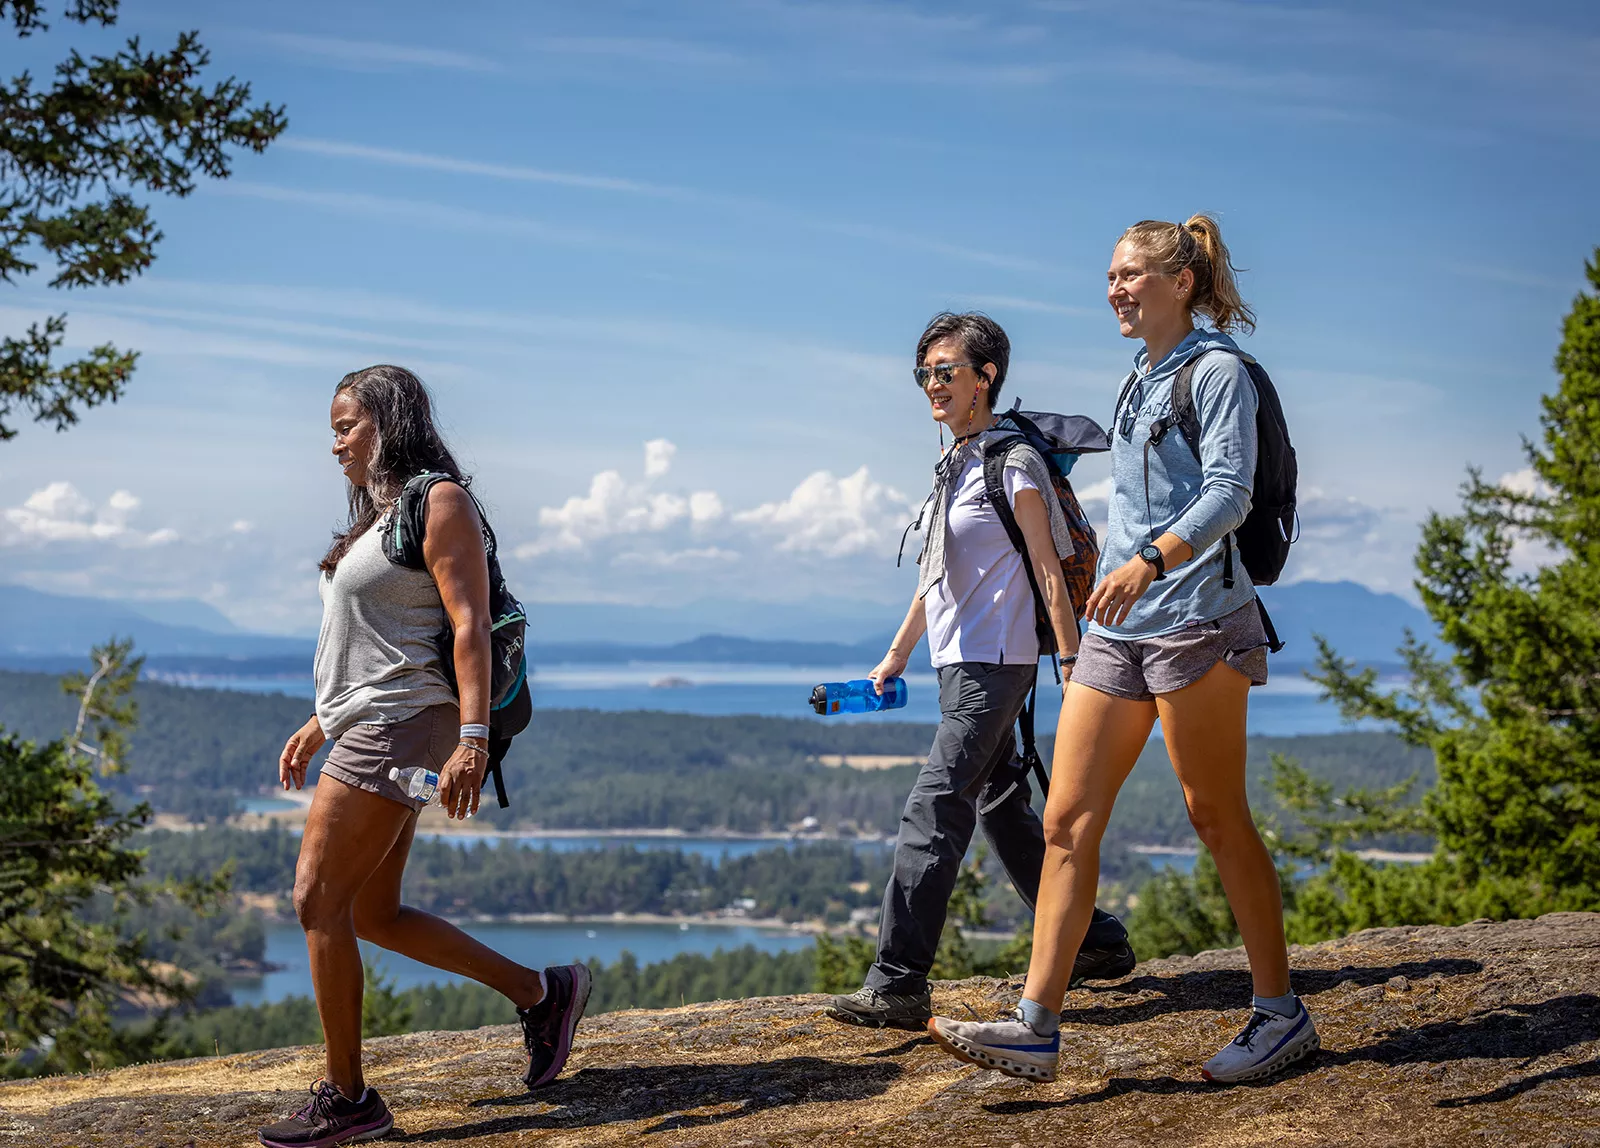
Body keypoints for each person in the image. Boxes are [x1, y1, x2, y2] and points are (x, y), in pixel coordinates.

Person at [926, 218, 1319, 1084]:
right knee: (1065, 820)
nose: (1115, 289)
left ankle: (1281, 1012)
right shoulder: (1138, 375)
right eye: (1110, 275)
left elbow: (1229, 493)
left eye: (1132, 274)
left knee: (1215, 815)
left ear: (1181, 281)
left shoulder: (1216, 373)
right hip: (1118, 629)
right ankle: (1036, 1023)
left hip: (1199, 623)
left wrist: (1146, 563)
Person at [257, 366, 589, 1148]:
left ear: (386, 422)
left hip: (405, 727)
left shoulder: (438, 502)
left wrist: (473, 738)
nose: (334, 442)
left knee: (315, 899)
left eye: (347, 426)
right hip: (370, 722)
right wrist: (321, 717)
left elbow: (468, 626)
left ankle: (348, 1098)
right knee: (370, 911)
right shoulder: (378, 520)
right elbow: (376, 643)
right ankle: (540, 995)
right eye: (334, 428)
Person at [826, 312, 1135, 1032]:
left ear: (985, 378)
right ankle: (1096, 941)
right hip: (960, 665)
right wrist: (898, 653)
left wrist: (1072, 656)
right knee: (1000, 804)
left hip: (999, 664)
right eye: (924, 373)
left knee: (935, 808)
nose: (931, 384)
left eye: (945, 371)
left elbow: (1052, 572)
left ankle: (900, 982)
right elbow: (938, 578)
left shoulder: (1013, 463)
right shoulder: (957, 463)